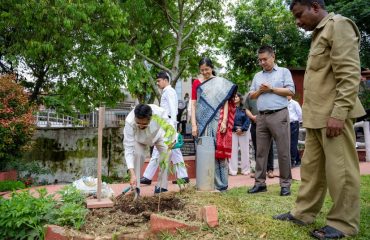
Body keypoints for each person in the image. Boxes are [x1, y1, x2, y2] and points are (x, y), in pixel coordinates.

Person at [274, 1, 366, 239]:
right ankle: (303, 213)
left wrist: (339, 113)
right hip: (315, 117)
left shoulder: (339, 26)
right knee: (311, 170)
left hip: (333, 116)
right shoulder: (319, 34)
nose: (297, 21)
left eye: (298, 15)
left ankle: (343, 223)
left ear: (314, 6)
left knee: (341, 171)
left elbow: (349, 75)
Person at [247, 45, 295, 196]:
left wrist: (271, 89)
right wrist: (260, 91)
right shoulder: (257, 76)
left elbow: (290, 91)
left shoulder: (283, 72)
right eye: (260, 60)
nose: (262, 62)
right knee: (260, 152)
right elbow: (251, 96)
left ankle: (285, 184)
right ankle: (259, 183)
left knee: (283, 151)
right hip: (261, 117)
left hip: (279, 114)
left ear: (273, 56)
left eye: (265, 59)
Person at [191, 57, 237, 191]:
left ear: (212, 68)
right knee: (203, 150)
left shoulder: (219, 82)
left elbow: (225, 102)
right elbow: (193, 104)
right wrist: (193, 124)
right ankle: (205, 182)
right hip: (201, 121)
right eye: (202, 70)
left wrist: (224, 121)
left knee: (218, 150)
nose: (204, 72)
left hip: (217, 119)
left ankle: (221, 184)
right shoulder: (196, 83)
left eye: (207, 69)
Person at [141, 71, 189, 187]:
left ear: (165, 80)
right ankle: (182, 176)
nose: (157, 83)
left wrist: (172, 128)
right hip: (165, 125)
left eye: (158, 81)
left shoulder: (170, 91)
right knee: (170, 151)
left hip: (168, 125)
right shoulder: (167, 91)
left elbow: (173, 110)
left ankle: (148, 177)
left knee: (163, 150)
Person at [123, 104, 175, 194]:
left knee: (167, 153)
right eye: (138, 123)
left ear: (150, 118)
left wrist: (172, 140)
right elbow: (128, 148)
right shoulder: (129, 121)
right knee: (138, 155)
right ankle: (136, 187)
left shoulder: (159, 113)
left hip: (158, 135)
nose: (141, 126)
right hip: (139, 139)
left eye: (144, 124)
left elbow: (169, 126)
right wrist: (131, 173)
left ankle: (161, 187)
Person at [245, 97, 275, 178]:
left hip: (267, 124)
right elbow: (246, 109)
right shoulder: (250, 96)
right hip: (254, 124)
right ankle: (259, 170)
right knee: (257, 147)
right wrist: (252, 117)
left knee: (269, 147)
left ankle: (270, 170)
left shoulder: (267, 94)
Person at [229, 93, 251, 176]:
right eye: (233, 97)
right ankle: (232, 170)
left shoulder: (244, 108)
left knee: (245, 150)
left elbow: (248, 119)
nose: (235, 98)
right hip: (233, 131)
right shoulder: (230, 108)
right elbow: (229, 120)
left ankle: (245, 170)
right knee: (232, 151)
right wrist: (235, 129)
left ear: (240, 98)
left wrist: (242, 129)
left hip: (244, 132)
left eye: (236, 96)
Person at [287, 96, 302, 167]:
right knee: (287, 143)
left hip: (293, 124)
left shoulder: (295, 103)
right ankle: (298, 159)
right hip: (285, 125)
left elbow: (300, 114)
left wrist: (297, 122)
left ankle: (292, 161)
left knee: (293, 143)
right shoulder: (283, 104)